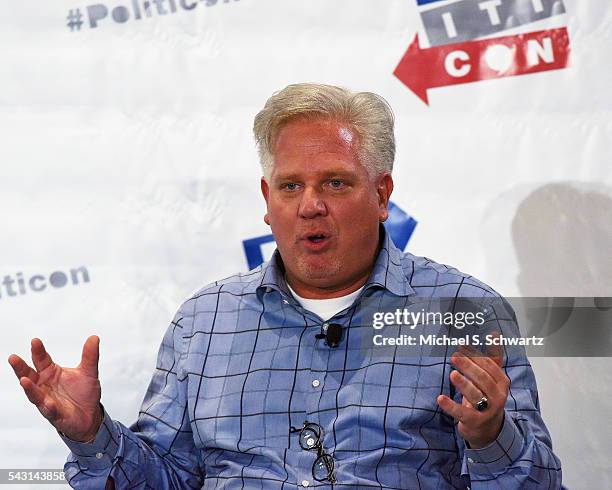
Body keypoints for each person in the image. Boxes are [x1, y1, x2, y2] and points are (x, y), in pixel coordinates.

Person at [8, 83, 561, 488]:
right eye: (290, 185)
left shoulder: (462, 311)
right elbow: (165, 479)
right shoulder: (205, 319)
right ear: (267, 201)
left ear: (382, 194)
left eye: (335, 183)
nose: (310, 205)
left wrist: (490, 436)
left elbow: (540, 484)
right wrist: (91, 435)